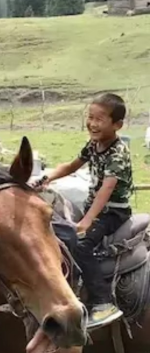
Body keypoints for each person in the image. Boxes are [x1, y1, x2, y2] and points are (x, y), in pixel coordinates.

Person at [36, 93, 131, 329]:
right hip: (94, 207)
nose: (92, 123)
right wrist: (46, 178)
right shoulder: (93, 145)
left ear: (117, 125)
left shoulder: (118, 153)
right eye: (90, 117)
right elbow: (72, 166)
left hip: (112, 212)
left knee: (81, 244)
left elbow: (106, 190)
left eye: (100, 119)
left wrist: (87, 222)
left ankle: (102, 301)